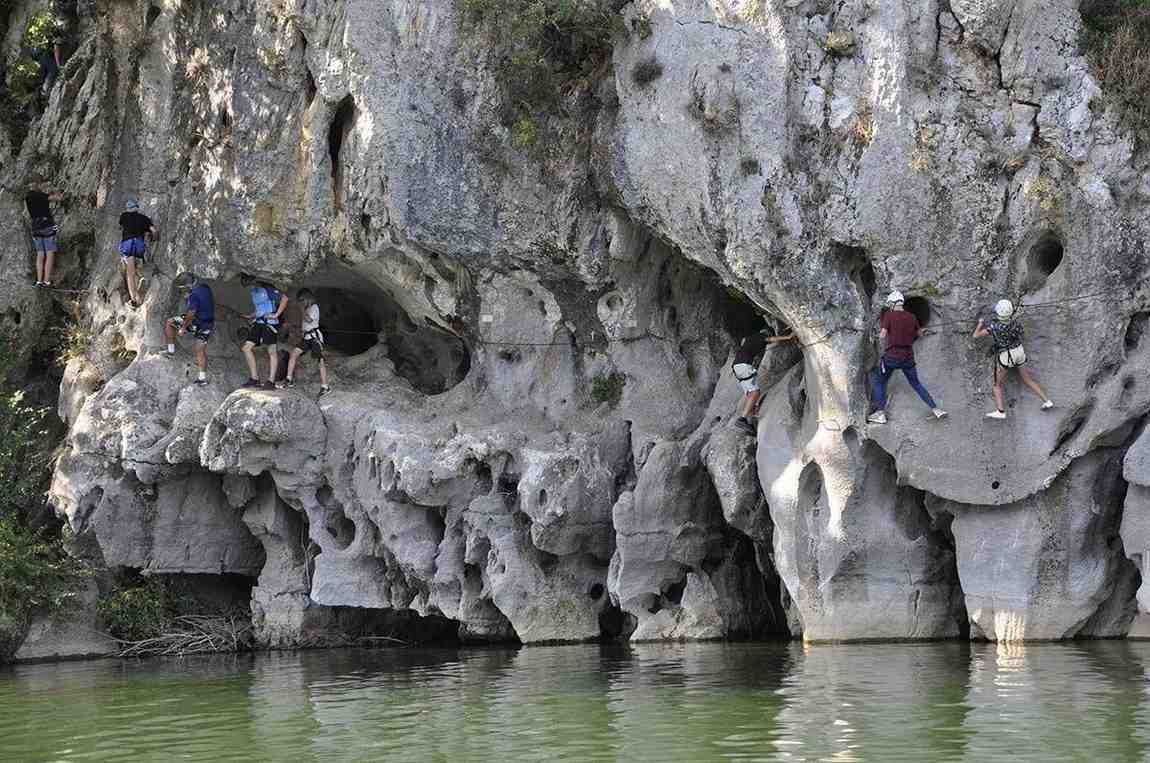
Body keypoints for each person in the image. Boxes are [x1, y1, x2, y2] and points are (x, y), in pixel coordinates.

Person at [867, 290, 948, 424]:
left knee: (879, 381)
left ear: (892, 304)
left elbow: (882, 335)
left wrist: (874, 335)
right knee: (916, 384)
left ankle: (880, 413)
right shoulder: (912, 317)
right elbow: (919, 334)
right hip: (907, 358)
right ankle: (936, 409)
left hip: (891, 358)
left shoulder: (889, 315)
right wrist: (923, 331)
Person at [973, 299, 1054, 419]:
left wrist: (980, 323)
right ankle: (1047, 401)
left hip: (1007, 356)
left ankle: (1000, 411)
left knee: (997, 385)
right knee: (1028, 379)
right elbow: (1021, 332)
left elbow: (976, 335)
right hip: (1019, 352)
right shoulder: (1015, 323)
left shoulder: (994, 327)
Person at [731, 325, 796, 434]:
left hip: (737, 367)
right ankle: (742, 419)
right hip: (743, 365)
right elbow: (771, 339)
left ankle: (750, 425)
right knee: (755, 392)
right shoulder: (760, 336)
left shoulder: (749, 340)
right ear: (766, 333)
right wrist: (788, 337)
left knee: (750, 394)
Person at [164, 273, 213, 386]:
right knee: (200, 350)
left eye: (182, 288)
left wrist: (183, 327)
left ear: (187, 286)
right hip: (207, 324)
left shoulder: (193, 296)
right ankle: (202, 378)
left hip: (196, 322)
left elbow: (191, 314)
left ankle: (171, 351)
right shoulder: (205, 287)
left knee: (170, 322)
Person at [239, 273, 288, 389]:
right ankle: (254, 378)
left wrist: (276, 314)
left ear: (252, 280)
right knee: (246, 348)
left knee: (271, 351)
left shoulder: (267, 288)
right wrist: (251, 316)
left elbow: (285, 298)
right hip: (258, 322)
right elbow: (259, 309)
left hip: (270, 324)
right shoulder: (253, 292)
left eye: (247, 283)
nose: (247, 286)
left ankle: (270, 381)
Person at [280, 288, 330, 395]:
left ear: (308, 298)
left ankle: (325, 386)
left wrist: (302, 310)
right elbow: (305, 323)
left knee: (320, 360)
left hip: (314, 337)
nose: (301, 302)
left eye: (302, 300)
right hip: (306, 337)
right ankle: (289, 379)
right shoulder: (307, 308)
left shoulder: (314, 307)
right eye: (300, 301)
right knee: (294, 354)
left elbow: (309, 320)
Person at [24, 177, 64, 287]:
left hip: (35, 227)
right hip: (47, 226)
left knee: (40, 254)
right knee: (50, 253)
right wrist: (56, 191)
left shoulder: (28, 197)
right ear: (39, 185)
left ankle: (39, 281)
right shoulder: (42, 196)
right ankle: (46, 281)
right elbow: (59, 198)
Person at [119, 199, 158, 307]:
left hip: (128, 245)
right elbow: (154, 231)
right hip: (139, 246)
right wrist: (154, 238)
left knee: (130, 274)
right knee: (135, 272)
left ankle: (134, 299)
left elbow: (121, 226)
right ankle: (136, 295)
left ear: (128, 209)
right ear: (137, 208)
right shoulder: (144, 218)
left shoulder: (124, 216)